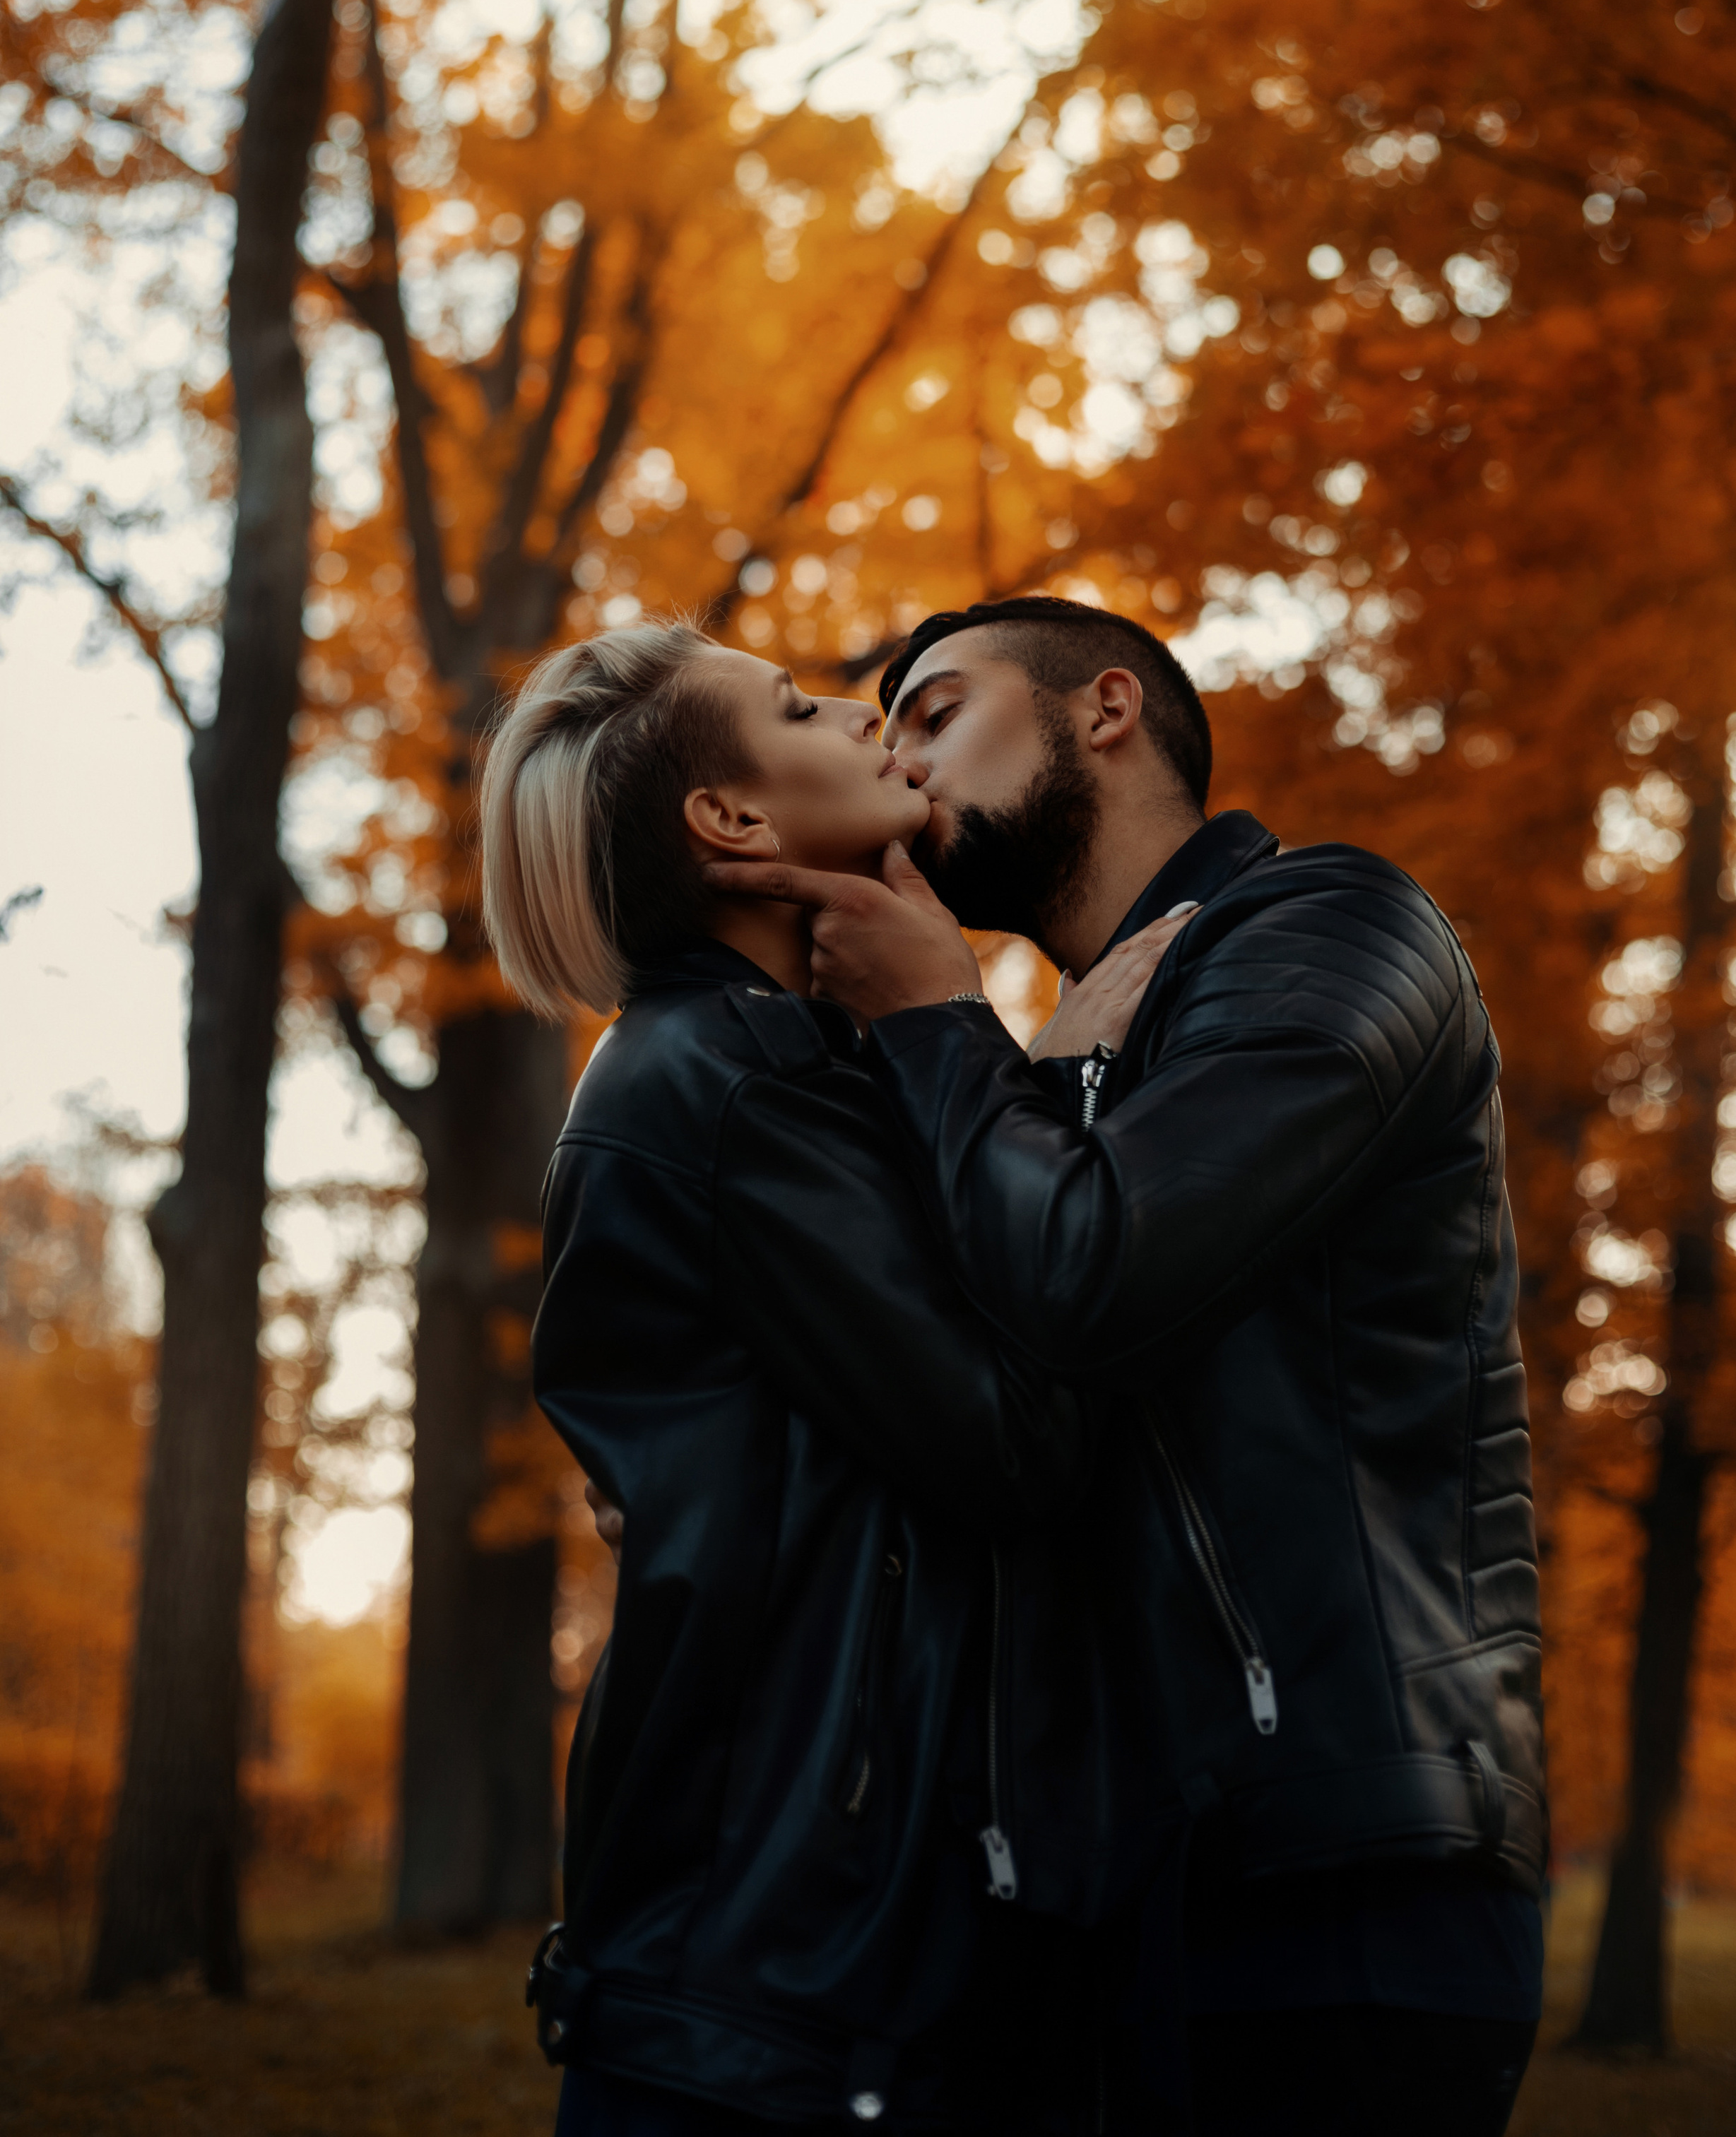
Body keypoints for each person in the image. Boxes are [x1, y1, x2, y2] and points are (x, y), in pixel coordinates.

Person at [706, 593, 1547, 2137]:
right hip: (1089, 1892)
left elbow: (1094, 1272)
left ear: (1105, 710)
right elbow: (985, 1411)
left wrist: (944, 1020)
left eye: (936, 713)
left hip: (1336, 1879)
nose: (898, 761)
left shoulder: (1336, 929)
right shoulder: (1038, 1078)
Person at [479, 620, 1188, 2137]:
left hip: (807, 1954)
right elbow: (1020, 1438)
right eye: (800, 709)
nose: (871, 728)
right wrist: (1059, 1096)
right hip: (772, 1974)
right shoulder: (725, 1082)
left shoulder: (788, 1065)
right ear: (729, 819)